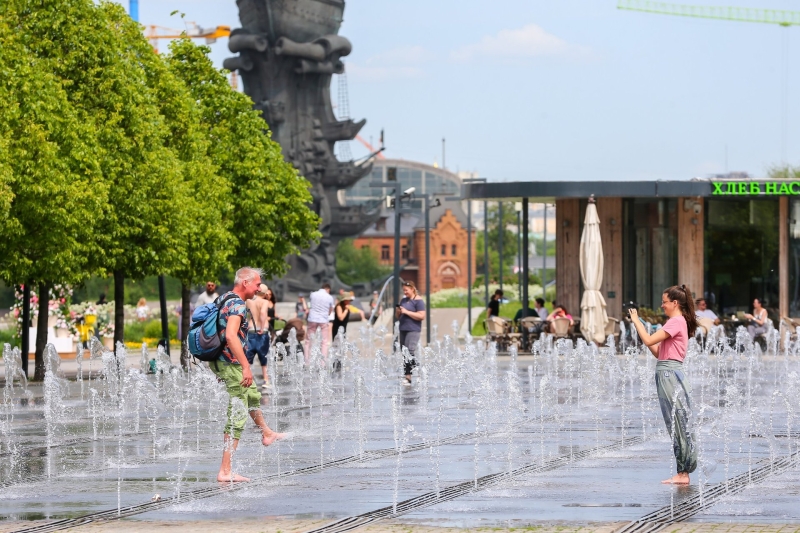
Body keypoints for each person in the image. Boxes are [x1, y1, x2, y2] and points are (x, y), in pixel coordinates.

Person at [211, 267, 284, 482]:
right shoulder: (236, 305)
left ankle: (267, 433)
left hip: (224, 361)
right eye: (256, 284)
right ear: (245, 282)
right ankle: (225, 470)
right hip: (232, 363)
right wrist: (245, 366)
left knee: (252, 396)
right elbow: (231, 336)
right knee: (237, 415)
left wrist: (218, 364)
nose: (259, 288)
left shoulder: (224, 298)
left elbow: (217, 331)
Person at [629, 284, 698, 485]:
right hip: (666, 370)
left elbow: (649, 339)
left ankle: (683, 473)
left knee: (677, 422)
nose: (662, 305)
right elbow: (658, 352)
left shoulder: (676, 322)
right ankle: (682, 471)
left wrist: (636, 320)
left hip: (669, 374)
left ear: (675, 303)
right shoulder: (676, 322)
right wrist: (639, 325)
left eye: (664, 302)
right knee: (675, 421)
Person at [396, 281, 426, 386]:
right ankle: (408, 377)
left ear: (412, 289)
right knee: (404, 353)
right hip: (403, 328)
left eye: (406, 290)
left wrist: (407, 312)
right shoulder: (403, 300)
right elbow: (398, 316)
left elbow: (422, 316)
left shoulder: (419, 301)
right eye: (403, 290)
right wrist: (398, 311)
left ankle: (418, 367)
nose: (404, 292)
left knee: (410, 351)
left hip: (413, 329)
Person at [245, 284, 271, 390]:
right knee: (263, 357)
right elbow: (263, 313)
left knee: (248, 357)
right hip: (262, 330)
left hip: (250, 329)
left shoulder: (248, 301)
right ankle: (266, 379)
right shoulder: (265, 302)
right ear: (264, 294)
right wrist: (261, 326)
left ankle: (248, 379)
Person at [305, 282, 335, 365]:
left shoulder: (313, 294)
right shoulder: (329, 297)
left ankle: (307, 361)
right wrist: (327, 314)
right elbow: (330, 309)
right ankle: (323, 363)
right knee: (324, 342)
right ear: (328, 289)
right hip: (323, 320)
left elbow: (310, 305)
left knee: (308, 341)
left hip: (312, 319)